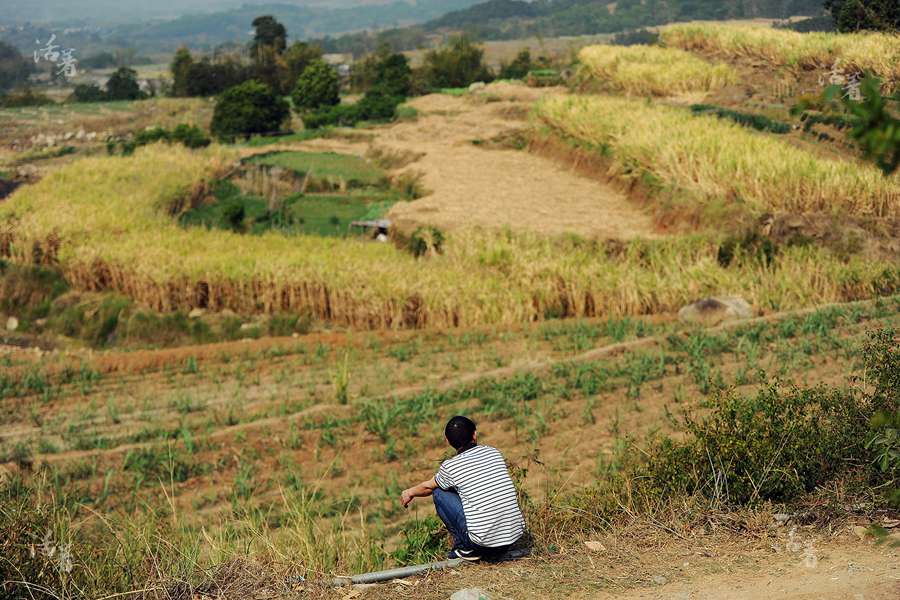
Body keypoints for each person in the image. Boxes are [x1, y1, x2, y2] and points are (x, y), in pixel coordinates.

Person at [400, 415, 525, 561]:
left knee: (440, 492)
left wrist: (409, 492)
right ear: (475, 434)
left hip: (483, 544)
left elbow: (427, 487)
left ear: (447, 441)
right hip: (513, 537)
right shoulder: (493, 452)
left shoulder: (451, 466)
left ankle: (465, 547)